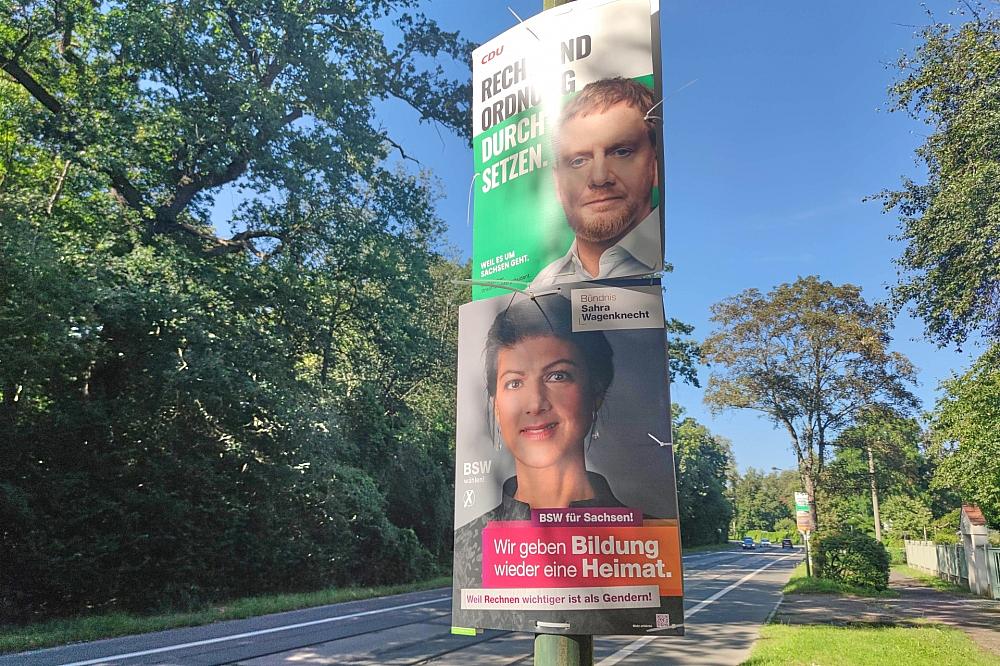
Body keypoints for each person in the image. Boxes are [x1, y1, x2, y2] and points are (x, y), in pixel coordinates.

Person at [532, 77, 662, 287]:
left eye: (621, 152)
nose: (599, 178)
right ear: (557, 183)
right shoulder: (541, 285)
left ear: (655, 165)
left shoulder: (682, 254)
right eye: (578, 161)